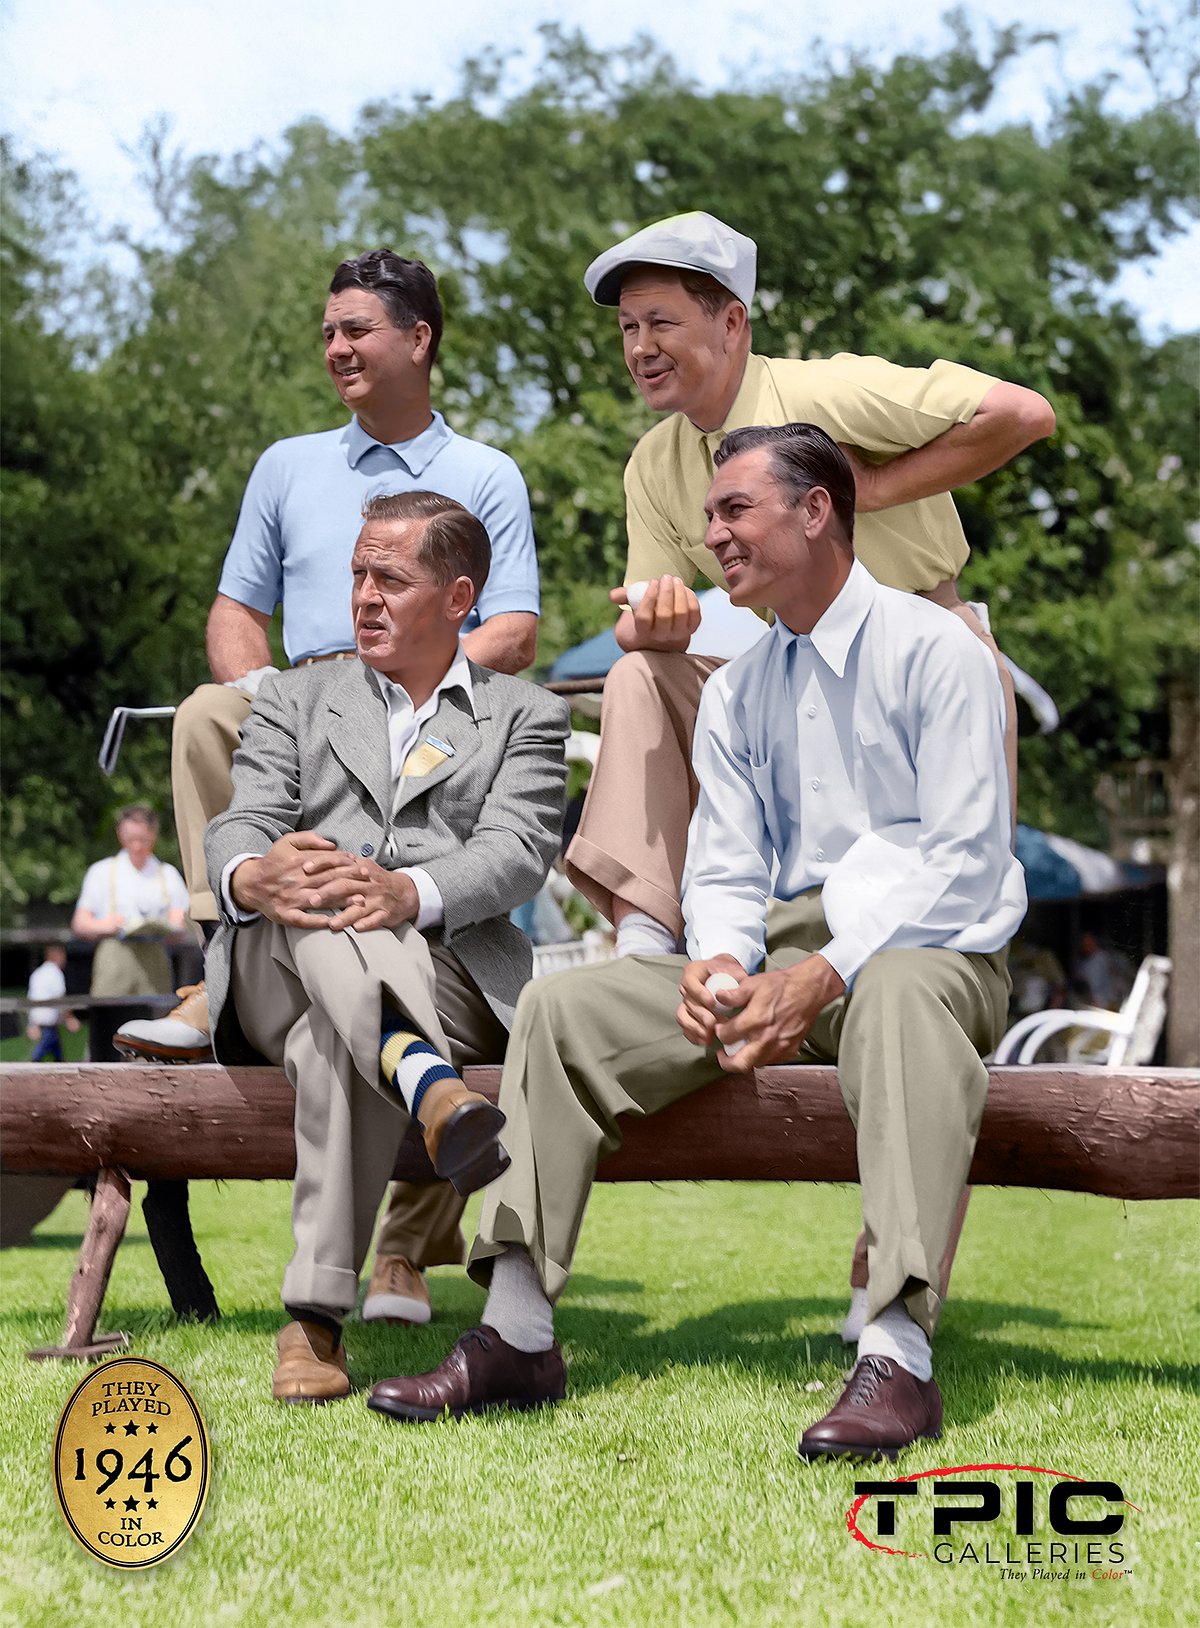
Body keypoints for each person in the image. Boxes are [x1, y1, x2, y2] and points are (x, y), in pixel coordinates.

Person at [368, 426, 1026, 1462]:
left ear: (816, 511)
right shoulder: (738, 687)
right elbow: (724, 864)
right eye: (709, 514)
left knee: (898, 991)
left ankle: (897, 1352)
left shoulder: (939, 650)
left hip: (937, 953)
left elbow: (965, 860)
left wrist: (823, 974)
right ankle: (516, 1334)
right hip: (785, 959)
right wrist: (719, 959)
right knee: (562, 1007)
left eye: (735, 511)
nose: (711, 534)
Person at [117, 247, 542, 1327]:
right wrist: (287, 699)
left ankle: (385, 1262)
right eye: (327, 332)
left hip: (427, 720)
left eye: (357, 329)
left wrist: (397, 689)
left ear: (420, 339)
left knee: (377, 957)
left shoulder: (486, 472)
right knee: (212, 711)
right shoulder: (286, 464)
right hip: (299, 716)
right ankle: (225, 953)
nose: (337, 348)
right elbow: (235, 610)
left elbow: (513, 628)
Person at [565, 211, 1053, 956]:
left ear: (732, 323)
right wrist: (652, 627)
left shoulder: (822, 394)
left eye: (660, 322)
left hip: (920, 662)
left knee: (930, 935)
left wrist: (871, 487)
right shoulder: (653, 465)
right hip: (791, 681)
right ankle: (645, 939)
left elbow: (1023, 413)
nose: (640, 348)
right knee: (638, 676)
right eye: (628, 328)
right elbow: (640, 613)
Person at [203, 491, 569, 1402]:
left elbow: (518, 850)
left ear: (458, 597)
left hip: (447, 978)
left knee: (333, 1036)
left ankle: (314, 1322)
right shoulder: (294, 697)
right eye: (358, 575)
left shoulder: (525, 713)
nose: (363, 596)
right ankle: (428, 1085)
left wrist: (410, 891)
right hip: (276, 965)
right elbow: (243, 819)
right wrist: (252, 876)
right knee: (315, 880)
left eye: (390, 579)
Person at [72, 806, 188, 1018]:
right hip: (114, 960)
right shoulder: (101, 871)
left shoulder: (168, 874)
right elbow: (80, 924)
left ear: (153, 835)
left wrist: (169, 928)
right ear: (120, 834)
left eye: (142, 839)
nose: (136, 845)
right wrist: (105, 925)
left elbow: (179, 925)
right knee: (109, 1024)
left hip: (154, 962)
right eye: (130, 838)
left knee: (156, 1027)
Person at [26, 943, 80, 1062]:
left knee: (57, 1054)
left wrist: (32, 1023)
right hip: (48, 1023)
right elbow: (60, 999)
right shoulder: (55, 973)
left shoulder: (37, 973)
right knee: (38, 1054)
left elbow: (31, 999)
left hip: (41, 1021)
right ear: (57, 955)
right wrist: (70, 1018)